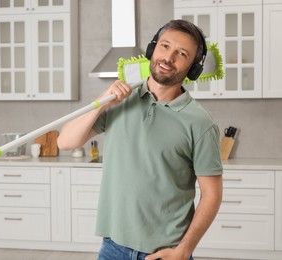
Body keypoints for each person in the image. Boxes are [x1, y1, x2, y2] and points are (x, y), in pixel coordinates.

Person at [57, 19, 223, 260]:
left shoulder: (200, 123)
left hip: (166, 252)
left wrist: (184, 250)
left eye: (182, 53)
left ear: (193, 68)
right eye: (164, 46)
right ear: (152, 48)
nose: (168, 58)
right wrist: (103, 100)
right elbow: (66, 142)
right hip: (112, 248)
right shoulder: (118, 102)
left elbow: (212, 195)